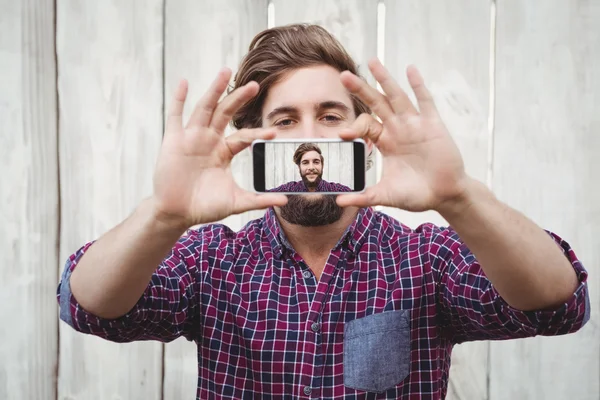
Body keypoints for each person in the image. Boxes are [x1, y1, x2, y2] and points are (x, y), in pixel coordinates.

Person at [57, 24, 590, 399]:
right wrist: (162, 216)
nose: (309, 137)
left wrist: (460, 197)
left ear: (366, 136)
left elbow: (559, 305)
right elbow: (89, 308)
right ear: (255, 141)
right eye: (285, 121)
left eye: (330, 115)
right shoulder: (212, 261)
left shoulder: (426, 259)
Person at [268, 142, 353, 193]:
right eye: (305, 163)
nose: (311, 167)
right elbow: (264, 195)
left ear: (322, 165)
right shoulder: (289, 189)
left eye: (316, 162)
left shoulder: (336, 190)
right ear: (299, 167)